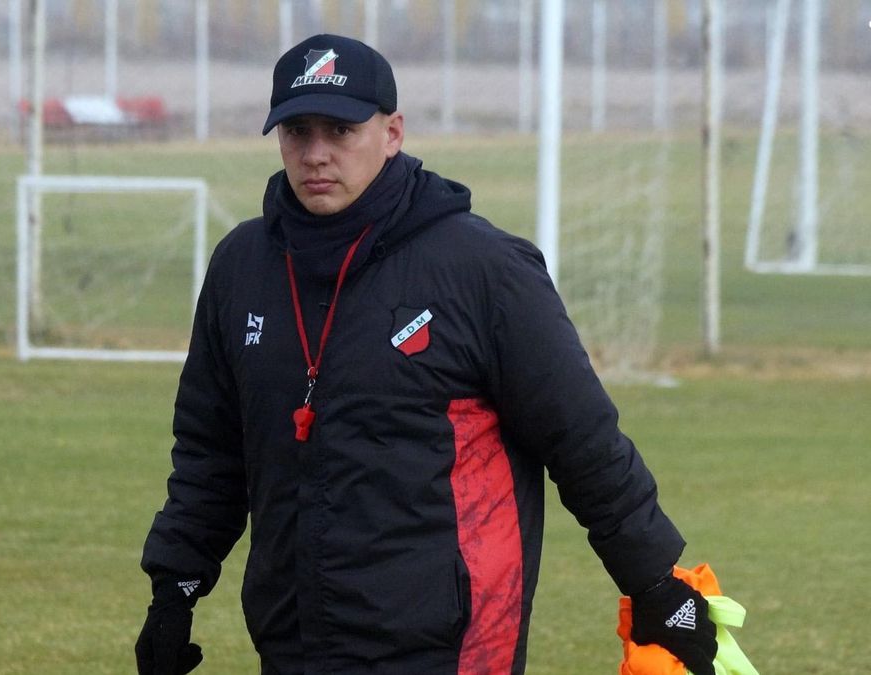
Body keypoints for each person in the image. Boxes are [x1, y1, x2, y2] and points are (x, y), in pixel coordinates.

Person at [136, 34, 717, 675]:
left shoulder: (484, 269)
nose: (317, 153)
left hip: (453, 649)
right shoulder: (242, 267)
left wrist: (657, 587)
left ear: (392, 132)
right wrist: (175, 588)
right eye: (297, 130)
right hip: (295, 643)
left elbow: (583, 442)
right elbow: (210, 453)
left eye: (341, 129)